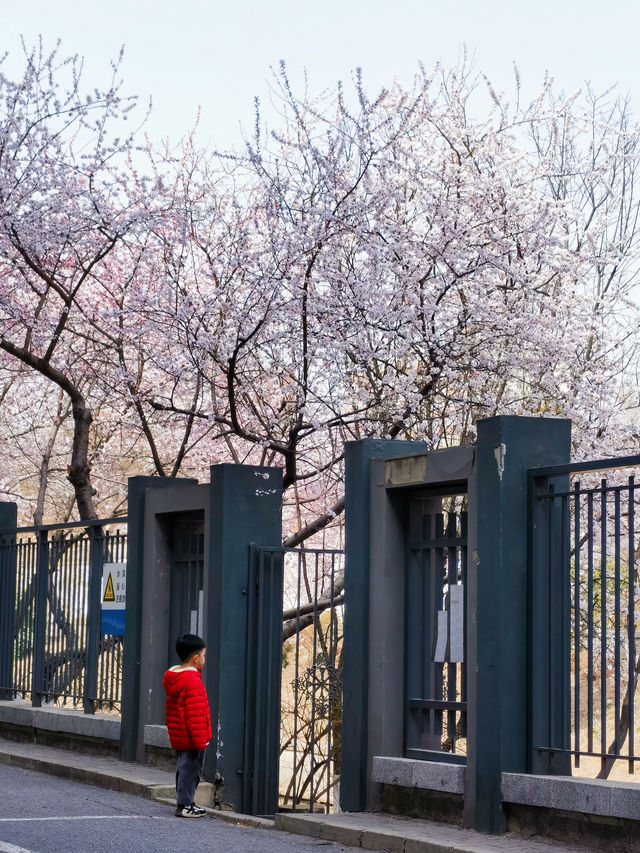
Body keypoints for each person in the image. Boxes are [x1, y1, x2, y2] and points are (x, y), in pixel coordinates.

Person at [163, 633, 212, 818]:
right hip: (193, 737)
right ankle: (185, 805)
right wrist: (201, 742)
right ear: (196, 657)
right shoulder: (193, 681)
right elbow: (195, 714)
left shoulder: (174, 679)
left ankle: (185, 802)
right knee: (191, 771)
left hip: (180, 734)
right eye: (204, 655)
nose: (205, 659)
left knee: (184, 770)